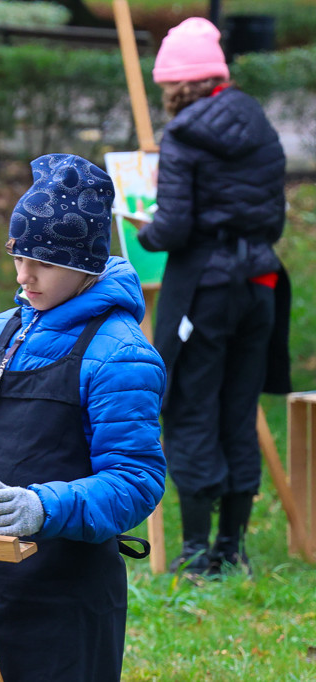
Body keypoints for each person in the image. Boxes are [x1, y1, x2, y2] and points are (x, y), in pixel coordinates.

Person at [0, 154, 166, 681]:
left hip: (62, 599)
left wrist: (42, 506)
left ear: (87, 264)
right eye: (17, 255)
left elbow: (137, 480)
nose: (24, 275)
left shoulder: (122, 354)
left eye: (46, 262)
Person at [137, 17, 290, 577]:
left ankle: (198, 554)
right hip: (260, 285)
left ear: (178, 82)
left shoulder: (183, 135)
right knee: (238, 407)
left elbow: (174, 228)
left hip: (206, 287)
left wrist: (145, 231)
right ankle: (234, 547)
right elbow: (273, 215)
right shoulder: (260, 123)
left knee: (191, 406)